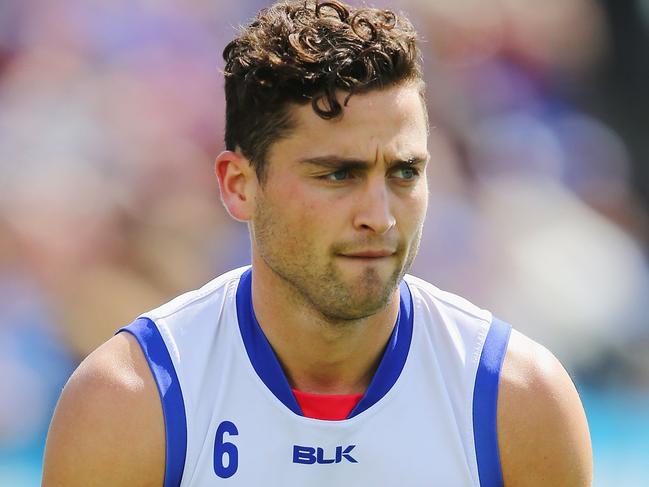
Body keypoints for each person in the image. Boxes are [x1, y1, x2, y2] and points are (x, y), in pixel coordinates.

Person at [42, 1, 592, 485]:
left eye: (403, 173)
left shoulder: (516, 399)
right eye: (337, 175)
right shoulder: (129, 403)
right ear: (239, 186)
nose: (379, 217)